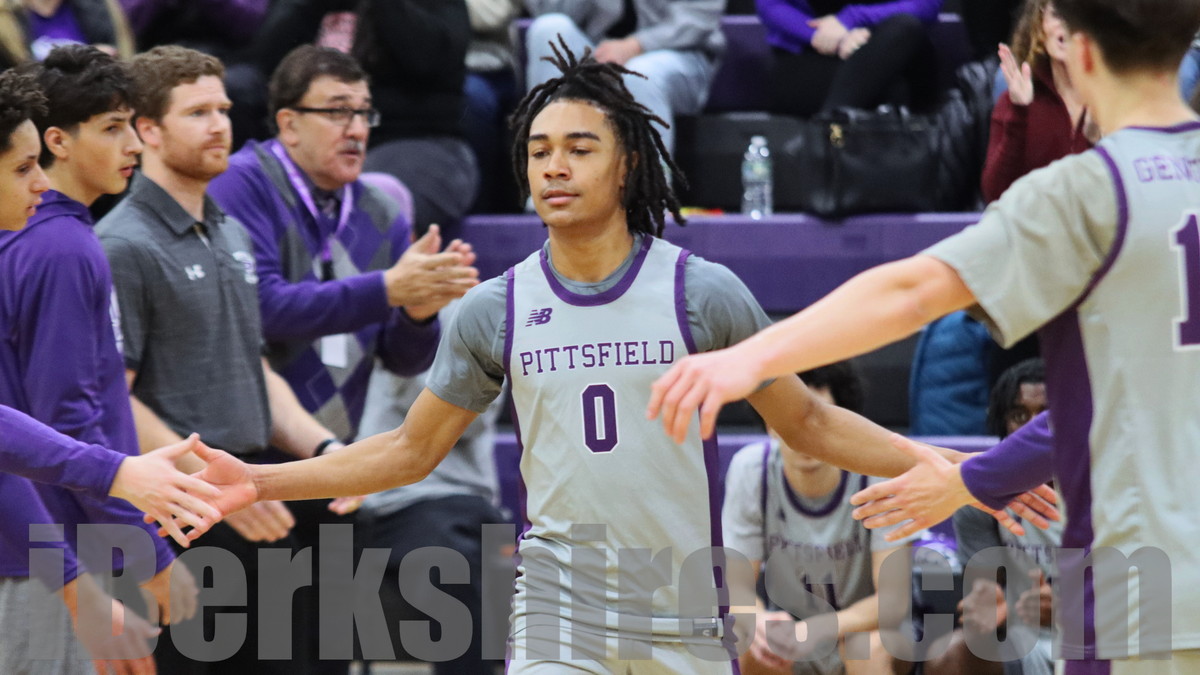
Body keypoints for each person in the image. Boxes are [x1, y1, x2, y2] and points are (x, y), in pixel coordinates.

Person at [184, 40, 1055, 673]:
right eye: (538, 152)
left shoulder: (701, 291)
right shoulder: (495, 307)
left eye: (578, 148)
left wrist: (957, 469)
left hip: (683, 608)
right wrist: (257, 480)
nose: (553, 168)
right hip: (559, 608)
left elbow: (810, 423)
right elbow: (411, 450)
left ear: (628, 161)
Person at [650, 0, 1200, 670]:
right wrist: (977, 477)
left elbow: (912, 291)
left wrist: (751, 356)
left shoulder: (1087, 189)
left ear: (1077, 51)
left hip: (1138, 585)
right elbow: (1120, 400)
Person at [206, 43, 480, 673]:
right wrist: (388, 289)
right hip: (250, 467)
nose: (355, 128)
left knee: (328, 659)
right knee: (263, 658)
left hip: (336, 470)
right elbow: (260, 308)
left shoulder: (381, 209)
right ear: (288, 123)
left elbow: (401, 359)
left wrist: (419, 312)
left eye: (363, 112)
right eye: (336, 111)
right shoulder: (242, 185)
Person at [95, 45, 356, 673]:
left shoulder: (231, 231)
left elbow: (253, 370)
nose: (219, 126)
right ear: (148, 131)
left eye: (223, 109)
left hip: (250, 491)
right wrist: (213, 484)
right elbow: (112, 397)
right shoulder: (121, 245)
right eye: (197, 113)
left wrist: (327, 453)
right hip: (183, 514)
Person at [0, 65, 217, 675]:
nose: (133, 145)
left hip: (46, 544)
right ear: (61, 139)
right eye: (113, 126)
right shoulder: (62, 248)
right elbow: (64, 417)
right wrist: (137, 552)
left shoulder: (40, 238)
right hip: (51, 547)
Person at [722, 361, 915, 675]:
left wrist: (817, 629)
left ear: (842, 422)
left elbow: (893, 602)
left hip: (863, 630)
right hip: (791, 636)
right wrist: (758, 621)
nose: (805, 433)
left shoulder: (878, 473)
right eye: (792, 418)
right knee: (744, 641)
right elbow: (736, 588)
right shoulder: (750, 470)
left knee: (866, 648)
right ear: (769, 422)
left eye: (817, 419)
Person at [921, 358, 1061, 675]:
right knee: (949, 656)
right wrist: (983, 614)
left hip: (1104, 641)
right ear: (1001, 423)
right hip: (1023, 644)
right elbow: (986, 594)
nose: (1033, 429)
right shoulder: (980, 499)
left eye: (1046, 417)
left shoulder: (1107, 487)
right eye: (1019, 416)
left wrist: (1076, 613)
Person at [524, 0, 724, 156]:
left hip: (677, 54)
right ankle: (549, 176)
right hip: (596, 51)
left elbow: (697, 20)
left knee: (640, 73)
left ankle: (650, 192)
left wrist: (637, 45)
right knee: (548, 28)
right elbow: (546, 9)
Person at [983, 0, 1093, 203]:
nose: (1067, 24)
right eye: (1058, 14)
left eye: (1078, 15)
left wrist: (1098, 140)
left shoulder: (1115, 103)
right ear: (1040, 27)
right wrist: (1019, 114)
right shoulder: (1015, 103)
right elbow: (995, 195)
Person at [757, 0, 943, 118]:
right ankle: (832, 129)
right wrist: (826, 37)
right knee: (891, 92)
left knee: (905, 27)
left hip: (895, 50)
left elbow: (926, 5)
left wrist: (851, 19)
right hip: (813, 53)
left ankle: (828, 133)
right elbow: (771, 5)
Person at [0, 0, 135, 67]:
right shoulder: (5, 17)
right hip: (33, 105)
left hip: (95, 98)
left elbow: (123, 55)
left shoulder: (98, 5)